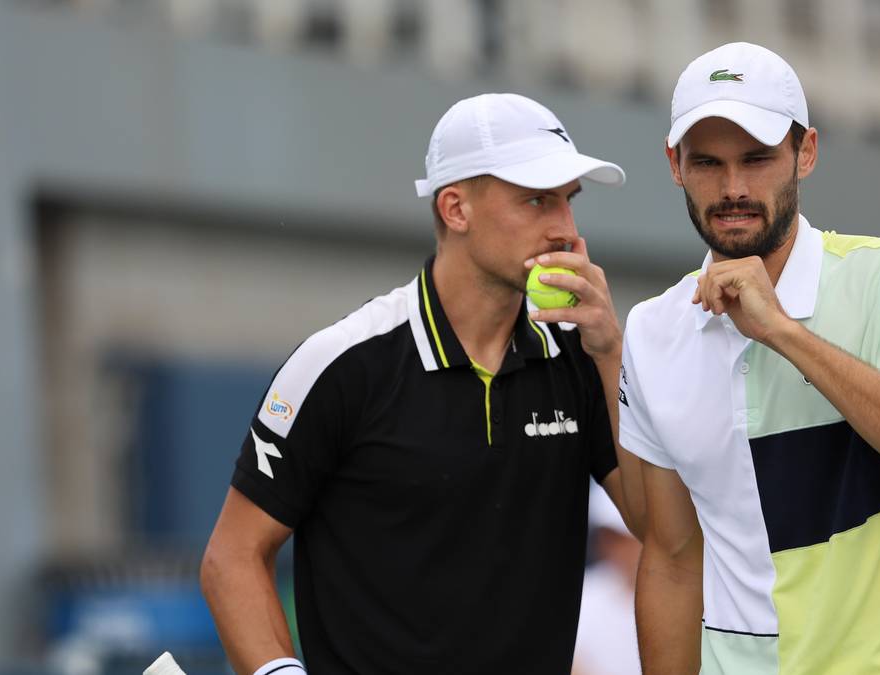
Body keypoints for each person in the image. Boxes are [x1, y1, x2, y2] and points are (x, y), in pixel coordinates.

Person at [201, 92, 645, 675]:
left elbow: (659, 531)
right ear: (455, 208)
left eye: (569, 200)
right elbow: (231, 557)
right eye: (536, 200)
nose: (564, 227)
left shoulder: (584, 357)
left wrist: (611, 353)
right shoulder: (343, 363)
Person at [618, 42, 880, 674]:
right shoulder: (651, 329)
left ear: (805, 153)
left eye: (757, 159)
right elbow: (674, 558)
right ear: (675, 164)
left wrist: (782, 332)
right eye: (708, 162)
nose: (733, 188)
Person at [572, 483, 642, 675]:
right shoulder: (581, 594)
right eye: (610, 537)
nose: (617, 548)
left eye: (624, 538)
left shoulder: (692, 600)